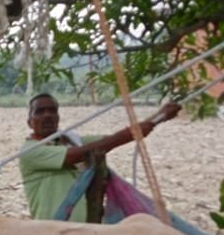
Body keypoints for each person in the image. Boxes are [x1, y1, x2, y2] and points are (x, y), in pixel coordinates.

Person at [20, 93, 181, 221]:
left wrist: (158, 118)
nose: (47, 115)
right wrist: (149, 124)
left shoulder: (71, 141)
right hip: (51, 232)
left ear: (58, 117)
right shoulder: (30, 151)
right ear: (30, 122)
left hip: (88, 230)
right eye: (40, 112)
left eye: (52, 110)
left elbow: (110, 139)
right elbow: (83, 153)